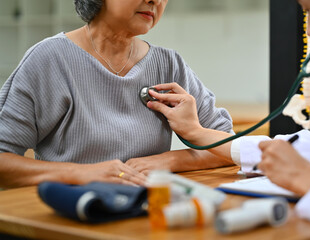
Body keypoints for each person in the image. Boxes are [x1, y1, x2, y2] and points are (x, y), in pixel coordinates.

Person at [145, 0, 310, 237]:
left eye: (308, 10)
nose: (308, 30)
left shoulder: (168, 63)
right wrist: (198, 133)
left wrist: (307, 180)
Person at [0, 0, 234, 189]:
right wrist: (80, 173)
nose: (156, 1)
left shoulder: (169, 64)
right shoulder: (50, 59)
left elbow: (228, 146)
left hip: (141, 212)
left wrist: (168, 160)